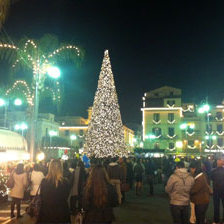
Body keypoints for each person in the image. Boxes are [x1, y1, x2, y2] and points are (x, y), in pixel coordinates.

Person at [37, 159, 71, 224]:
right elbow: (66, 197)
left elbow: (42, 197)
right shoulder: (65, 182)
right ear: (61, 168)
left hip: (46, 213)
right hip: (61, 214)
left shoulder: (44, 181)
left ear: (50, 168)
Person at [211, 156, 224, 224]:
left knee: (216, 206)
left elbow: (212, 179)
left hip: (216, 190)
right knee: (216, 206)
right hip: (220, 191)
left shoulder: (213, 171)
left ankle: (216, 220)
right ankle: (217, 220)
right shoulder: (214, 170)